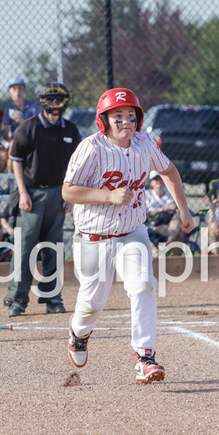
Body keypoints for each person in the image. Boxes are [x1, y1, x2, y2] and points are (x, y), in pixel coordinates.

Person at [62, 87, 195, 384]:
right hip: (92, 237)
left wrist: (184, 210)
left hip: (131, 233)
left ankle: (144, 357)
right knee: (92, 303)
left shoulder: (145, 143)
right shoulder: (91, 148)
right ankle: (78, 333)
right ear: (104, 120)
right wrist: (107, 196)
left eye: (131, 116)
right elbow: (68, 190)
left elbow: (169, 172)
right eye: (117, 116)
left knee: (144, 285)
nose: (125, 121)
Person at [4, 82, 81, 318]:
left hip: (59, 193)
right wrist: (23, 193)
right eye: (51, 100)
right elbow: (15, 159)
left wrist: (71, 196)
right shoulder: (28, 128)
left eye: (59, 101)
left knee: (54, 248)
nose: (55, 106)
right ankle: (17, 299)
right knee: (25, 247)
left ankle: (52, 296)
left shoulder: (70, 130)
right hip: (32, 193)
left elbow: (75, 165)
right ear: (43, 102)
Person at [145, 170, 185, 250]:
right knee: (178, 232)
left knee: (179, 216)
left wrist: (175, 208)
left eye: (161, 179)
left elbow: (177, 209)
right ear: (151, 183)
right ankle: (168, 245)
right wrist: (160, 210)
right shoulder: (146, 194)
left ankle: (169, 243)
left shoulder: (170, 194)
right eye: (156, 180)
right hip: (154, 225)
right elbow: (143, 213)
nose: (159, 182)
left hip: (169, 223)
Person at [2, 78, 41, 144]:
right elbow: (6, 135)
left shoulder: (33, 107)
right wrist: (11, 142)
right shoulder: (8, 110)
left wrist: (23, 122)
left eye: (20, 88)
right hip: (15, 140)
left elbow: (38, 127)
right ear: (9, 93)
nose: (17, 91)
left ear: (25, 91)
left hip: (32, 138)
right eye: (14, 89)